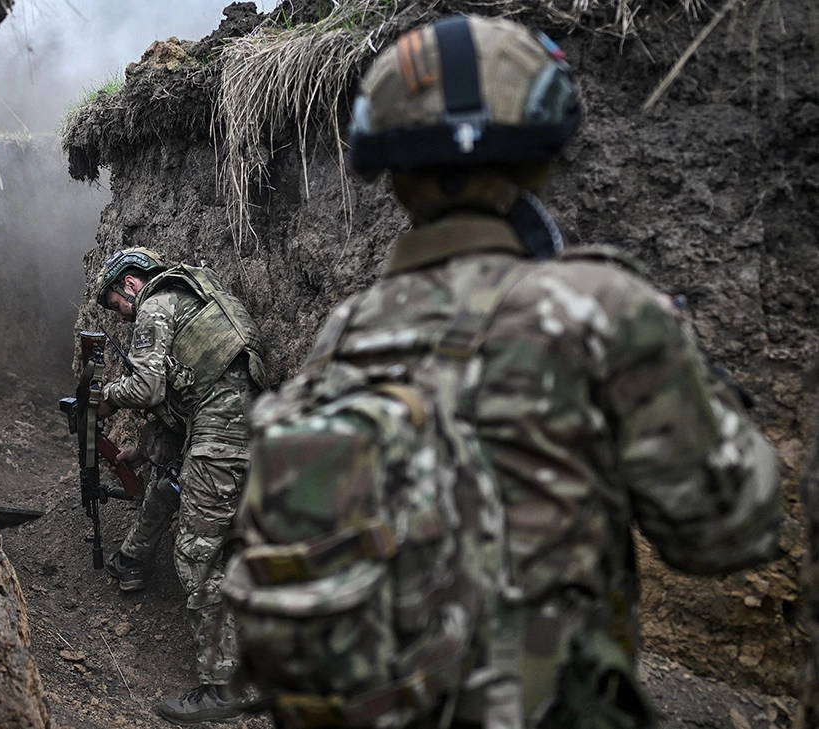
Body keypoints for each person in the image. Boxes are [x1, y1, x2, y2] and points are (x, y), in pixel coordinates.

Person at [231, 15, 781, 729]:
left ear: (394, 177)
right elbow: (726, 531)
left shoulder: (350, 329)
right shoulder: (599, 308)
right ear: (539, 157)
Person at [94, 246, 268, 724]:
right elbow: (185, 399)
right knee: (171, 484)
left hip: (221, 429)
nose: (122, 315)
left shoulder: (154, 301)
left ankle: (227, 685)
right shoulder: (194, 296)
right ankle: (132, 559)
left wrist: (105, 399)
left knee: (197, 551)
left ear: (131, 282)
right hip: (236, 421)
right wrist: (144, 452)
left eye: (116, 304)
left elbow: (148, 389)